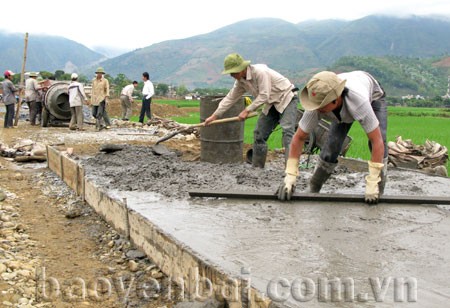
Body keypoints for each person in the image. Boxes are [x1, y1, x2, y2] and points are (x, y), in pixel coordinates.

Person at [277, 71, 388, 204]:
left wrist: (372, 182)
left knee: (380, 136)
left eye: (322, 106)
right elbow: (299, 138)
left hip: (373, 96)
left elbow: (376, 141)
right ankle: (314, 186)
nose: (318, 109)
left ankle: (378, 188)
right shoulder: (317, 105)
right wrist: (290, 176)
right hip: (341, 105)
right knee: (332, 146)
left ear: (336, 99)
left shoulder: (358, 102)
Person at [204, 53, 299, 168]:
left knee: (288, 132)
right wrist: (215, 115)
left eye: (233, 72)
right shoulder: (240, 82)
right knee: (259, 133)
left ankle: (291, 169)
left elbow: (264, 95)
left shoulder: (260, 72)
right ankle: (257, 167)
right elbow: (230, 98)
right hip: (271, 104)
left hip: (286, 98)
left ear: (242, 69)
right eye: (230, 73)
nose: (232, 75)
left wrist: (246, 110)